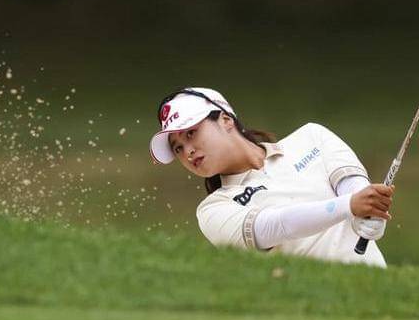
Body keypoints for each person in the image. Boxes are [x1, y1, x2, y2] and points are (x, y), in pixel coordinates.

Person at [149, 87, 394, 268]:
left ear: (225, 120)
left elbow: (355, 188)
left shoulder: (312, 137)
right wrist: (350, 206)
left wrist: (370, 211)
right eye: (177, 148)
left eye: (191, 133)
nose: (187, 151)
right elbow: (275, 226)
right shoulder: (214, 210)